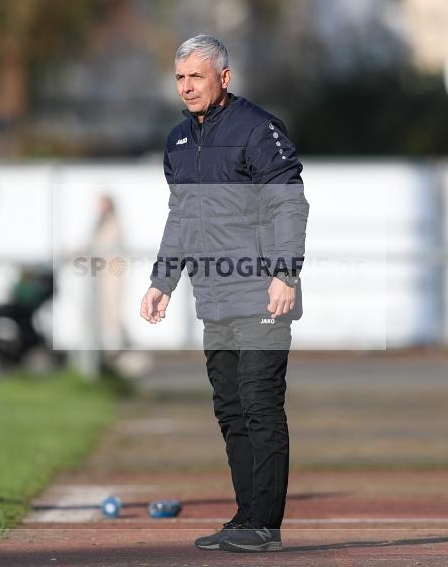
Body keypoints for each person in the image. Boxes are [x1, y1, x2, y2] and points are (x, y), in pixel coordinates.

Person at [140, 34, 308, 553]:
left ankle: (265, 524)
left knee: (261, 404)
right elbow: (182, 218)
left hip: (261, 295)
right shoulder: (178, 142)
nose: (188, 87)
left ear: (224, 78)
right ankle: (245, 519)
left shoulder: (258, 129)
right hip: (212, 299)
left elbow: (289, 203)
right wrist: (162, 281)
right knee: (231, 409)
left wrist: (285, 271)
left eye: (197, 76)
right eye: (181, 78)